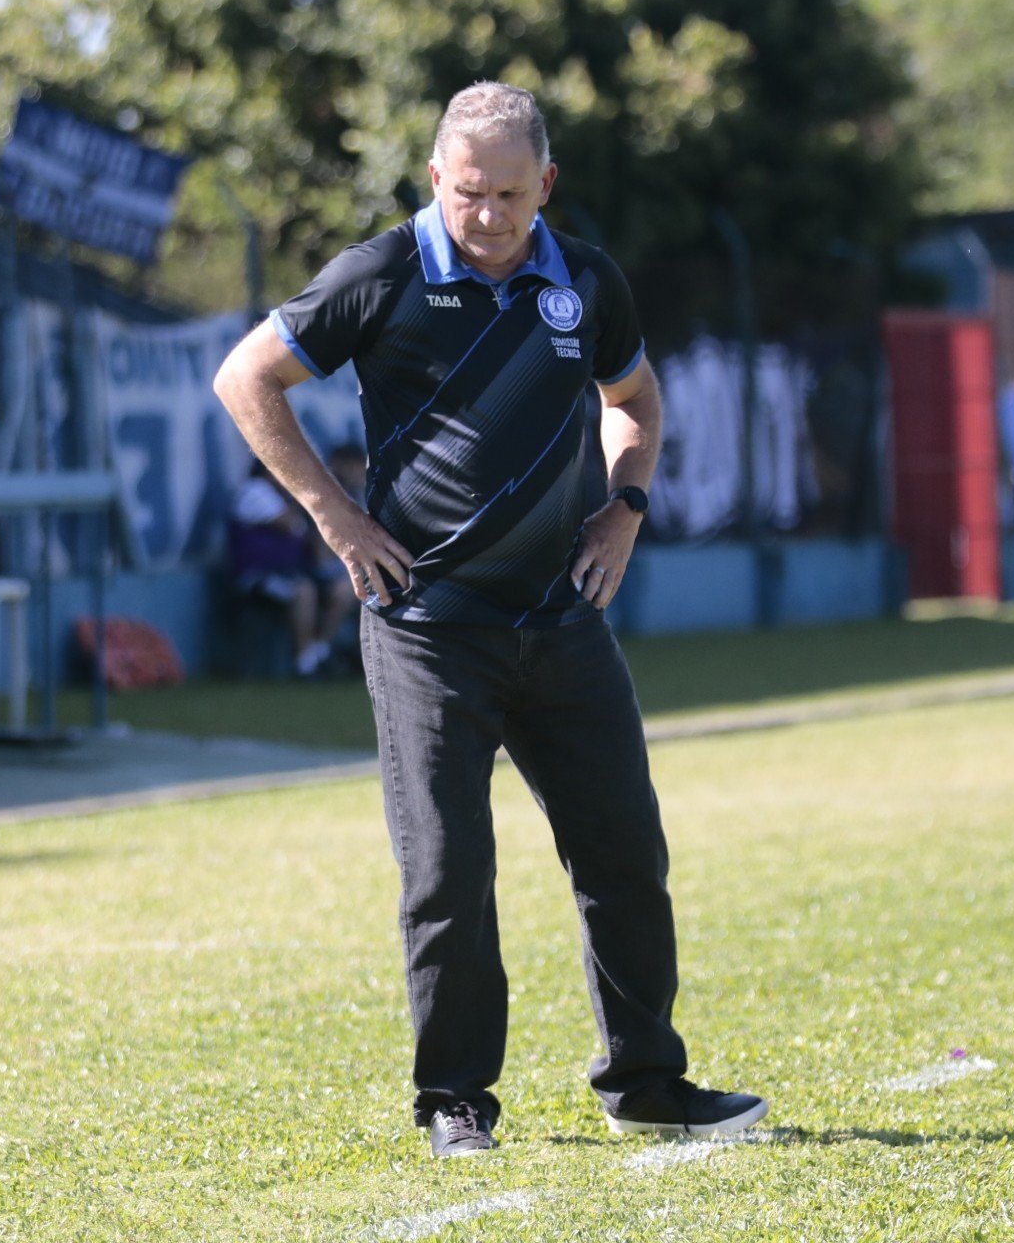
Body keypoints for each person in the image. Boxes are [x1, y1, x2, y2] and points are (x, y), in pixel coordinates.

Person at [213, 82, 764, 1158]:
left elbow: (636, 401)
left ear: (545, 184)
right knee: (448, 870)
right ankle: (455, 1102)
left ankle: (647, 1082)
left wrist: (626, 510)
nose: (491, 216)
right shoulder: (379, 274)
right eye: (469, 194)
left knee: (624, 853)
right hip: (426, 629)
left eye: (512, 194)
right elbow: (247, 378)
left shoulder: (586, 280)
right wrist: (334, 515)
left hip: (563, 622)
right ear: (435, 180)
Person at [228, 461, 351, 677]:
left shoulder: (284, 497)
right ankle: (305, 664)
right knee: (303, 590)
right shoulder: (255, 490)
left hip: (293, 571)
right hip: (259, 575)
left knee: (344, 589)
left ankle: (319, 651)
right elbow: (290, 523)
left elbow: (316, 547)